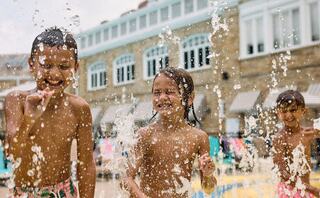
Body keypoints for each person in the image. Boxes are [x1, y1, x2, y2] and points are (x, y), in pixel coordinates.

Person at [5, 27, 95, 197]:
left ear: (75, 67)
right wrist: (29, 119)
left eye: (64, 66)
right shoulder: (17, 101)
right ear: (32, 64)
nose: (54, 73)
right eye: (46, 65)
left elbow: (86, 164)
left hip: (63, 192)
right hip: (25, 193)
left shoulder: (79, 108)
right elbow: (12, 152)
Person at [124, 67, 217, 197]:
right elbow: (126, 179)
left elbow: (208, 189)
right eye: (157, 92)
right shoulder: (145, 135)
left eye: (169, 92)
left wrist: (208, 175)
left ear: (189, 98)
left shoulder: (199, 137)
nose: (161, 97)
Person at [272, 90, 320, 197]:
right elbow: (283, 173)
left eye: (293, 110)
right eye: (284, 111)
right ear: (278, 113)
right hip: (289, 191)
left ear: (303, 111)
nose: (289, 115)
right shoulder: (280, 138)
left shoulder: (308, 133)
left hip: (306, 190)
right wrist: (314, 190)